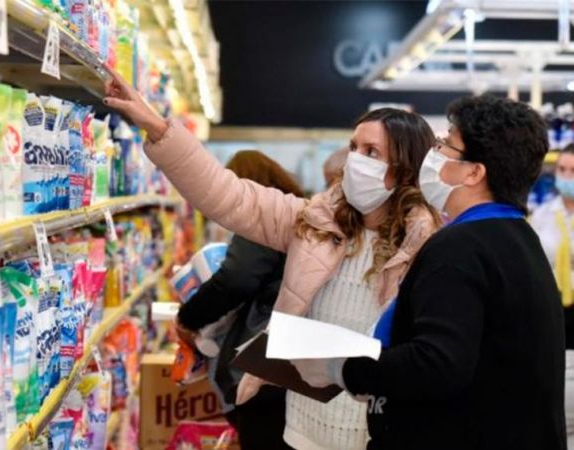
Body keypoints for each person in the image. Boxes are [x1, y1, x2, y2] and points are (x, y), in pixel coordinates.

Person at [103, 68, 439, 449]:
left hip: (373, 434)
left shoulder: (430, 250)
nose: (355, 161)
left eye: (371, 152)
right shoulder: (312, 224)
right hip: (299, 429)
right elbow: (226, 194)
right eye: (354, 148)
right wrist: (157, 127)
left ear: (405, 168)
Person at [293, 95, 566, 450]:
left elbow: (437, 363)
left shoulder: (461, 247)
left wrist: (340, 368)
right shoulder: (518, 238)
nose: (433, 154)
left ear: (474, 172)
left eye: (445, 144)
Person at [175, 150, 303, 449]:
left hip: (264, 361)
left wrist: (189, 317)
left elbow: (236, 279)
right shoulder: (298, 214)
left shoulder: (262, 219)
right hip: (291, 360)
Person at [530, 144, 574, 448]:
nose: (566, 176)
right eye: (562, 170)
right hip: (553, 310)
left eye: (573, 171)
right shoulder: (542, 215)